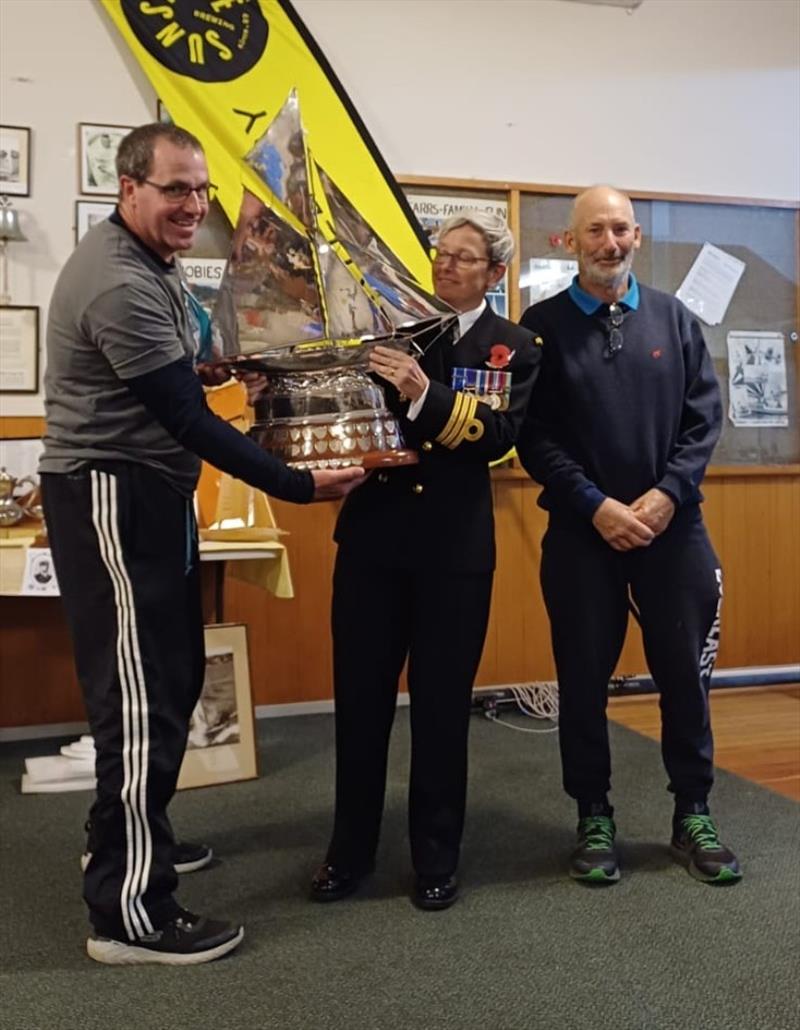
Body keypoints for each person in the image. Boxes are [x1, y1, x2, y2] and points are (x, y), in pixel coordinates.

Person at [39, 123, 364, 966]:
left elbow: (178, 384)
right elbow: (180, 417)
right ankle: (129, 916)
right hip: (115, 496)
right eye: (176, 189)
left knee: (172, 681)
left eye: (201, 189)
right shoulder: (118, 281)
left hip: (157, 495)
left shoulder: (151, 263)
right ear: (129, 189)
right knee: (141, 700)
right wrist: (297, 484)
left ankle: (124, 842)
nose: (193, 205)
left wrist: (216, 370)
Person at [310, 211, 540, 909]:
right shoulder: (393, 329)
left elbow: (496, 437)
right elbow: (347, 409)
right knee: (360, 704)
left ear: (495, 274)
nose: (444, 267)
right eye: (440, 255)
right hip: (374, 542)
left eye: (463, 259)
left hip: (453, 551)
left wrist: (422, 392)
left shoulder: (514, 347)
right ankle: (348, 853)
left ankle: (436, 856)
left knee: (441, 712)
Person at [516, 185, 741, 886]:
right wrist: (595, 507)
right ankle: (593, 815)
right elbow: (533, 436)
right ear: (569, 241)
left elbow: (705, 420)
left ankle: (693, 813)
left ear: (636, 237)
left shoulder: (675, 320)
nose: (609, 243)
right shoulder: (541, 326)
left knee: (686, 679)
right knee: (583, 681)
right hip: (585, 535)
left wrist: (668, 496)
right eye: (595, 232)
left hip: (673, 531)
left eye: (620, 230)